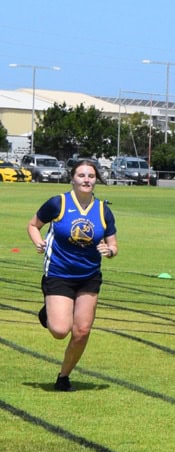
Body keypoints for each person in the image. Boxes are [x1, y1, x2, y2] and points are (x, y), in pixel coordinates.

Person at [26, 159, 118, 392]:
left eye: (91, 176)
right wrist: (38, 242)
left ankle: (64, 377)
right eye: (81, 175)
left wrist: (109, 251)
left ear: (96, 180)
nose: (86, 180)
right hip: (59, 272)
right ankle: (48, 312)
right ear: (73, 179)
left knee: (82, 331)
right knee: (59, 330)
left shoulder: (103, 210)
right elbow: (33, 225)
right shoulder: (58, 203)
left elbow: (113, 245)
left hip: (89, 276)